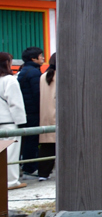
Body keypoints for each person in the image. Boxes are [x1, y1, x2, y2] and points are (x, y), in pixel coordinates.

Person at [0, 52, 27, 190]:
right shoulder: (9, 80)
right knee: (11, 153)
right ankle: (10, 181)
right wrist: (21, 122)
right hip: (9, 122)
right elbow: (15, 103)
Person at [17, 46, 45, 172]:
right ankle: (30, 168)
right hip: (33, 111)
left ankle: (28, 166)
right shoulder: (34, 72)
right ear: (33, 58)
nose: (43, 58)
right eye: (41, 56)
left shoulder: (25, 70)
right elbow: (38, 94)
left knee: (29, 139)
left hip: (27, 111)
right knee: (32, 140)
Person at [36, 52, 56, 180]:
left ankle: (43, 174)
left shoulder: (43, 76)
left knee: (47, 146)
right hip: (57, 115)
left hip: (45, 115)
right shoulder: (63, 76)